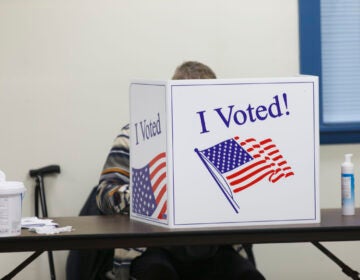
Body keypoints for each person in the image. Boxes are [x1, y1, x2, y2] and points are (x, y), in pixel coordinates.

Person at [96, 61, 265, 280]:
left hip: (213, 246)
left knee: (249, 277)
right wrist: (155, 195)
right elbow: (104, 196)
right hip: (151, 246)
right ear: (170, 98)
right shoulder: (136, 135)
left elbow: (249, 193)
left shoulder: (225, 138)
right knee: (159, 274)